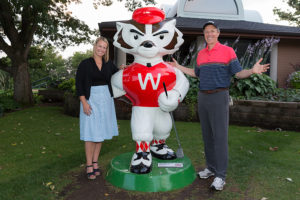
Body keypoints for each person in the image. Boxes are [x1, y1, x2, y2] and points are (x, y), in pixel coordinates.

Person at [167, 21, 269, 190]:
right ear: (204, 35)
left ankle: (220, 176)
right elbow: (196, 73)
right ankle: (211, 168)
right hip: (203, 97)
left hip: (219, 96)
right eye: (207, 32)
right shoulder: (200, 54)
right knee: (207, 136)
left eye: (213, 31)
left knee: (220, 137)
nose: (210, 34)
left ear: (218, 33)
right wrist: (178, 67)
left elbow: (238, 73)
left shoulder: (228, 51)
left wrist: (252, 71)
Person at [75, 36, 120, 180]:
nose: (101, 49)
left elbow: (117, 74)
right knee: (90, 133)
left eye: (104, 47)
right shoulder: (85, 64)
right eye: (99, 46)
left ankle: (95, 162)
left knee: (100, 132)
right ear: (95, 46)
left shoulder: (108, 64)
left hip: (106, 101)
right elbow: (79, 84)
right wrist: (84, 102)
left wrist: (123, 69)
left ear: (106, 50)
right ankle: (88, 165)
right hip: (91, 100)